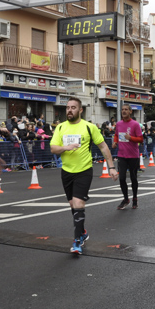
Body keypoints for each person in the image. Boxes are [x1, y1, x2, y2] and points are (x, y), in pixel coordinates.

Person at [50, 97, 117, 255]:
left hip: (84, 170)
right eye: (68, 107)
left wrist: (111, 167)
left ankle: (77, 241)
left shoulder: (89, 127)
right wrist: (66, 147)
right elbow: (53, 148)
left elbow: (103, 147)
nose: (69, 110)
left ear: (80, 110)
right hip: (66, 171)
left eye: (73, 107)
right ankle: (82, 232)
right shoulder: (61, 127)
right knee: (73, 205)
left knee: (78, 203)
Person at [112, 104, 143, 210]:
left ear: (130, 111)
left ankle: (135, 198)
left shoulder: (135, 124)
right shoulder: (119, 124)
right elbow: (116, 135)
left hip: (133, 155)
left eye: (126, 109)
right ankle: (126, 199)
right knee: (121, 178)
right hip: (121, 155)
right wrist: (115, 142)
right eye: (122, 110)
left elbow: (140, 139)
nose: (124, 111)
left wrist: (131, 138)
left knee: (133, 178)